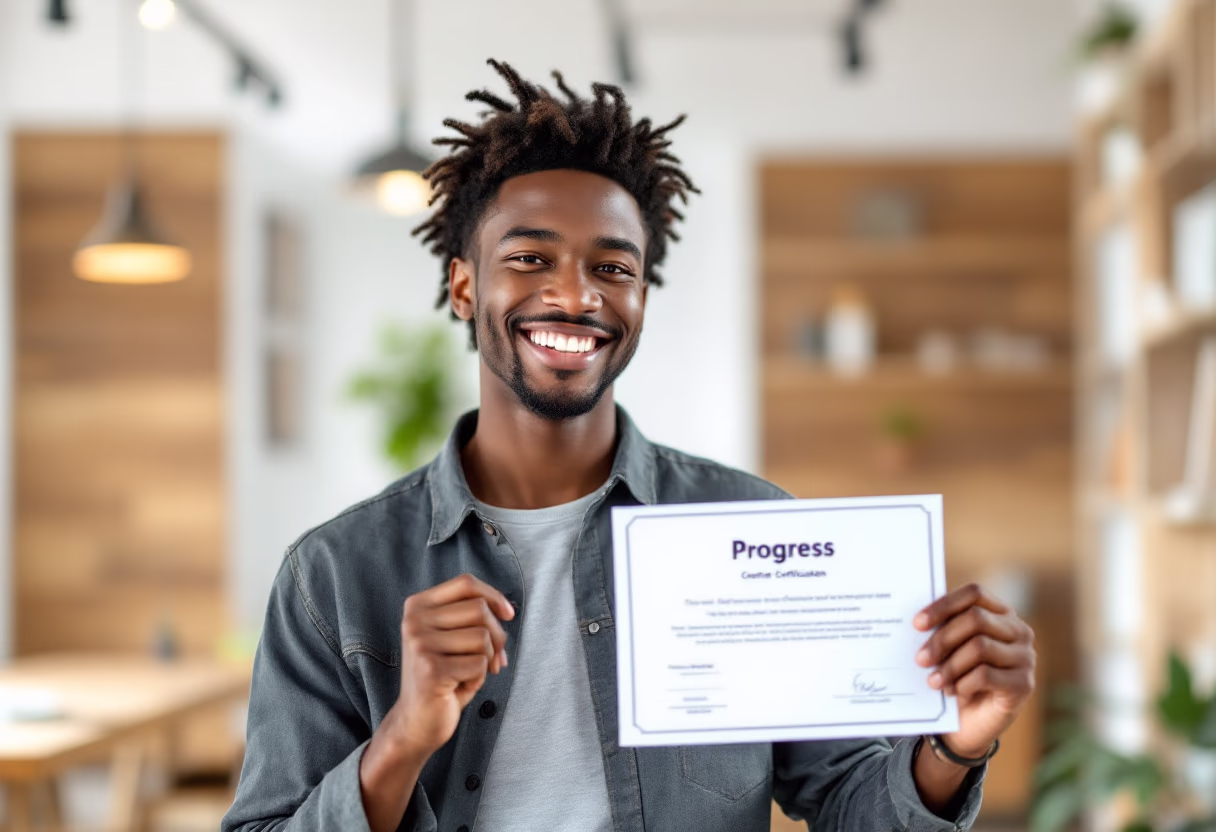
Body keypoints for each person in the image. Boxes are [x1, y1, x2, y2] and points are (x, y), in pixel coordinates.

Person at [223, 60, 1036, 832]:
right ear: (465, 286)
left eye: (612, 268)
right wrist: (402, 739)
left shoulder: (754, 531)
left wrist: (956, 745)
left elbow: (853, 805)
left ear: (642, 295)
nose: (576, 294)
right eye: (530, 258)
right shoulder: (332, 575)